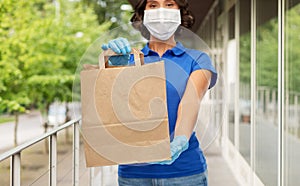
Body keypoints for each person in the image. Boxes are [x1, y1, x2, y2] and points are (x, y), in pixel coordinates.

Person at [101, 0, 217, 185]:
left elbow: (191, 101)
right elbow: (104, 97)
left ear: (180, 12)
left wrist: (180, 138)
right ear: (143, 14)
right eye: (153, 5)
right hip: (134, 173)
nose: (161, 11)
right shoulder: (128, 58)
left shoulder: (197, 59)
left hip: (185, 173)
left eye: (169, 4)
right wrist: (109, 60)